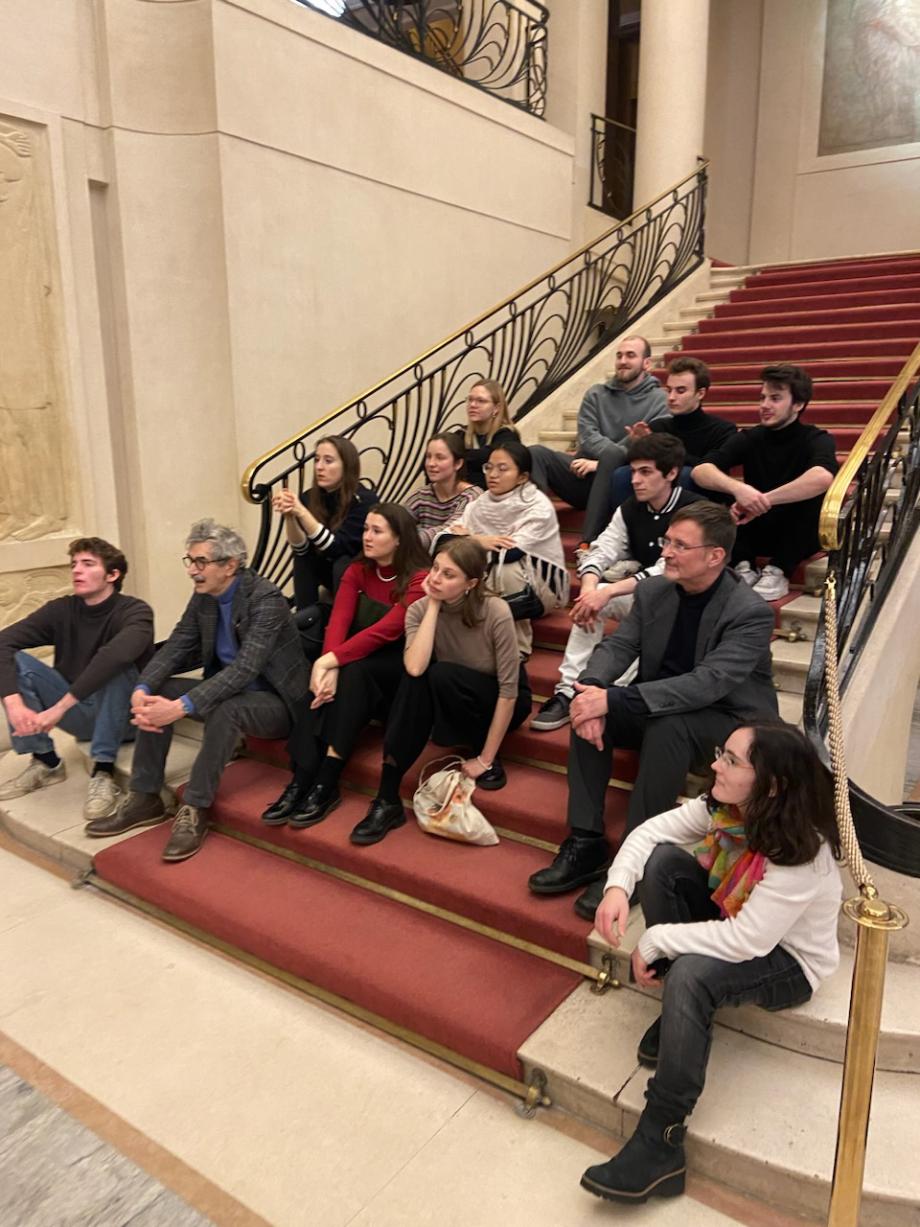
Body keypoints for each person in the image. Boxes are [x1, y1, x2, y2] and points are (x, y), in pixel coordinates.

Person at [581, 721, 842, 1206]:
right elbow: (649, 831)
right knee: (663, 864)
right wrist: (617, 887)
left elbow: (747, 940)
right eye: (723, 752)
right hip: (737, 919)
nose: (715, 765)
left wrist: (657, 939)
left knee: (692, 974)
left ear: (772, 785)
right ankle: (680, 1015)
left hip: (788, 960)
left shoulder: (802, 851)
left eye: (731, 761)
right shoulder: (728, 808)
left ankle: (661, 1141)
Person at [527, 502, 778, 920]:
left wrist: (613, 699)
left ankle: (634, 858)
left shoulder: (748, 612)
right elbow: (619, 645)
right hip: (660, 704)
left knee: (668, 725)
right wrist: (592, 689)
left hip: (729, 722)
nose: (666, 552)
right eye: (667, 541)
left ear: (715, 556)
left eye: (680, 545)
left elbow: (707, 683)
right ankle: (586, 840)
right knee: (587, 709)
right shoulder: (653, 591)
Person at [84, 520, 309, 862]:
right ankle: (145, 796)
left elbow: (245, 669)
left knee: (227, 708)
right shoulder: (205, 597)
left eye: (200, 562)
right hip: (228, 691)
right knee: (162, 688)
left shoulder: (266, 599)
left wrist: (180, 708)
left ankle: (195, 807)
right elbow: (177, 644)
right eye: (190, 560)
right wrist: (143, 686)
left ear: (230, 565)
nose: (192, 570)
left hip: (276, 703)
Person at [351, 539, 533, 843]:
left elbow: (509, 691)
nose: (435, 578)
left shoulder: (495, 610)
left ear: (471, 584)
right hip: (453, 693)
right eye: (435, 568)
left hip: (500, 698)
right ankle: (387, 797)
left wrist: (486, 758)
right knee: (418, 680)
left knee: (443, 674)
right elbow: (414, 667)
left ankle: (481, 746)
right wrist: (433, 605)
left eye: (448, 575)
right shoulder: (419, 610)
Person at [261, 504, 429, 829]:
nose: (367, 536)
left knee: (353, 672)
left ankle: (326, 780)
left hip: (399, 667)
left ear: (399, 539)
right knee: (329, 683)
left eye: (377, 531)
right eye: (365, 529)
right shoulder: (357, 570)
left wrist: (329, 661)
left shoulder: (419, 578)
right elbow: (338, 621)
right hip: (357, 658)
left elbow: (388, 630)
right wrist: (328, 667)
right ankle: (302, 779)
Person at [531, 434, 702, 732]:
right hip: (644, 597)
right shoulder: (630, 507)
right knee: (593, 599)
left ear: (671, 473)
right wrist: (589, 588)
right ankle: (568, 690)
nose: (635, 480)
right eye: (633, 471)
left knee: (622, 603)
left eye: (645, 472)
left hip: (684, 605)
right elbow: (603, 548)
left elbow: (666, 571)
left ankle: (609, 695)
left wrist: (608, 591)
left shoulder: (693, 511)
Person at [0, 537, 154, 822]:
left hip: (126, 718)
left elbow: (114, 656)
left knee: (116, 666)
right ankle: (46, 762)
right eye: (74, 564)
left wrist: (58, 708)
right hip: (81, 715)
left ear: (112, 574)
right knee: (17, 660)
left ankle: (103, 771)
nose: (76, 570)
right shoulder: (61, 610)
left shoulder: (136, 611)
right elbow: (3, 642)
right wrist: (14, 704)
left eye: (87, 564)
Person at [691, 363, 838, 600]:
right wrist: (739, 489)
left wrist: (763, 500)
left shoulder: (816, 438)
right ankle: (743, 566)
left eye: (775, 398)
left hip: (797, 534)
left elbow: (822, 477)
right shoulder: (751, 437)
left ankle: (779, 570)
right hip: (755, 527)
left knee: (812, 494)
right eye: (762, 397)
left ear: (798, 404)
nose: (765, 405)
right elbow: (700, 470)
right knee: (719, 488)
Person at [529, 336, 668, 544]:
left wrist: (603, 463)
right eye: (619, 355)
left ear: (646, 363)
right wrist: (608, 458)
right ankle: (535, 528)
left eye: (630, 355)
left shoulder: (661, 400)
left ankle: (588, 542)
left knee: (614, 456)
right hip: (583, 476)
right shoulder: (596, 394)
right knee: (536, 453)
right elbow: (587, 437)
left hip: (623, 481)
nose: (623, 361)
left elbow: (652, 446)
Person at [436, 439, 569, 656]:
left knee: (505, 569)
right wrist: (477, 540)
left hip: (536, 589)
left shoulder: (537, 505)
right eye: (489, 467)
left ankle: (517, 649)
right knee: (451, 565)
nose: (493, 474)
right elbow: (443, 541)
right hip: (491, 577)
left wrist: (468, 539)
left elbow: (510, 553)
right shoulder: (480, 504)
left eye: (502, 469)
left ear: (522, 477)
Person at [603, 356, 737, 516]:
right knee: (622, 475)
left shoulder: (723, 430)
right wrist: (640, 446)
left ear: (700, 393)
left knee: (684, 474)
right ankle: (624, 526)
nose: (671, 397)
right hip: (656, 498)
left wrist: (663, 450)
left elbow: (709, 469)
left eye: (680, 391)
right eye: (669, 390)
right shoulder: (658, 426)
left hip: (704, 503)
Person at [271, 435, 377, 609]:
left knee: (341, 562)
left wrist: (301, 512)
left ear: (346, 466)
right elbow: (301, 548)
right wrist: (290, 516)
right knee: (303, 558)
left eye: (328, 461)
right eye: (317, 460)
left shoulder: (364, 500)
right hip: (328, 570)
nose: (319, 467)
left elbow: (336, 548)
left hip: (358, 571)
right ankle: (305, 619)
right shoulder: (309, 497)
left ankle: (342, 619)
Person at [405, 432, 481, 552]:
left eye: (440, 458)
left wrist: (406, 541)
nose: (431, 464)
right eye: (428, 456)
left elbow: (447, 532)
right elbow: (398, 521)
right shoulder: (422, 494)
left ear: (458, 464)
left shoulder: (472, 496)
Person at [452, 380, 519, 490]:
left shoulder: (507, 435)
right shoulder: (461, 434)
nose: (473, 405)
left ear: (496, 408)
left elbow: (489, 457)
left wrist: (457, 458)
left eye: (481, 401)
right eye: (470, 400)